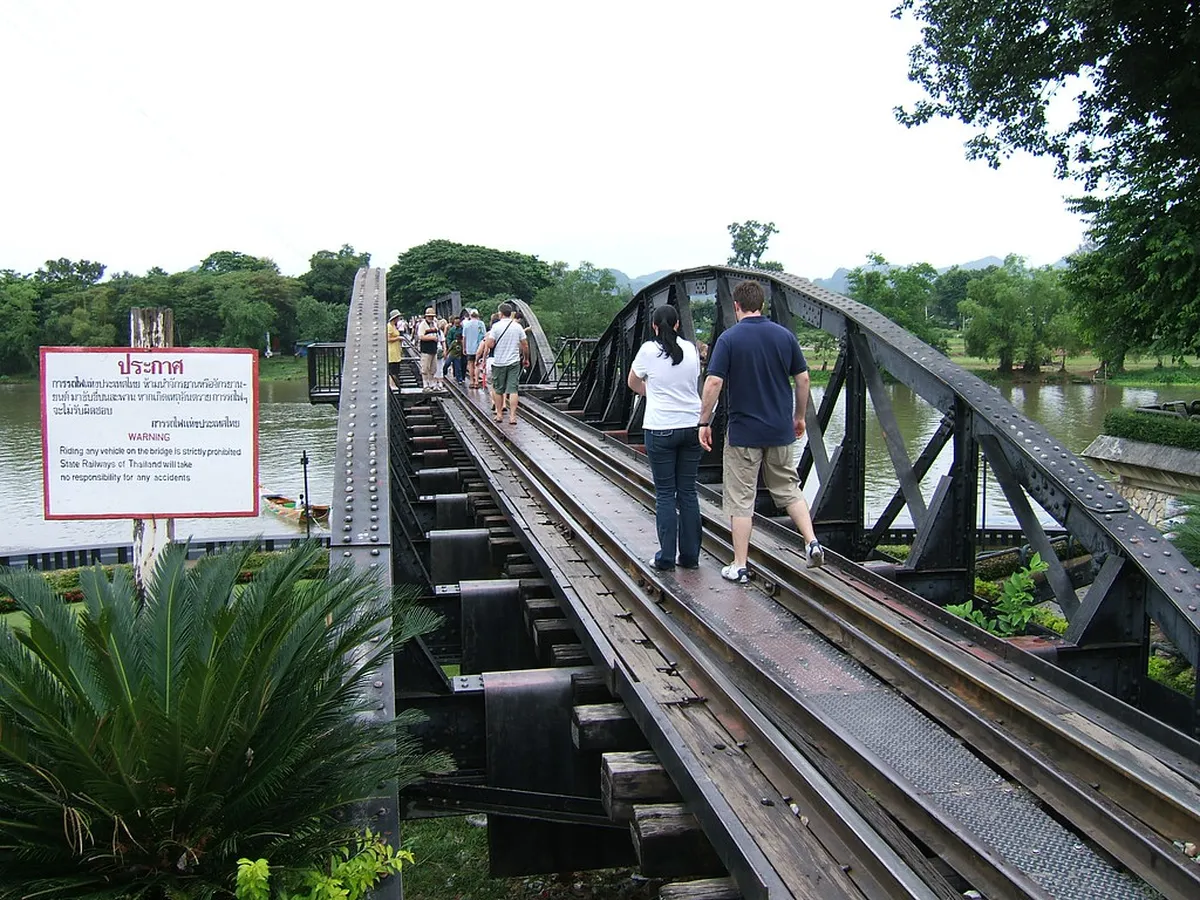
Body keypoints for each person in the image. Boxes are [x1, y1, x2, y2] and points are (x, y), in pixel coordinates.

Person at [698, 280, 824, 582]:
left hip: (744, 433)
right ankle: (811, 542)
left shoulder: (729, 339)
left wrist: (704, 421)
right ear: (762, 305)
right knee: (788, 488)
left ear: (736, 306)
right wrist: (798, 417)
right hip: (780, 429)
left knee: (741, 498)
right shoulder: (785, 336)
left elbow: (714, 382)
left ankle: (740, 564)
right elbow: (803, 379)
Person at [627, 305, 702, 571]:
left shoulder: (648, 350)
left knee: (666, 495)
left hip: (660, 429)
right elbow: (693, 382)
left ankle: (666, 558)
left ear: (654, 326)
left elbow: (632, 383)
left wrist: (654, 392)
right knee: (688, 493)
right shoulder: (692, 350)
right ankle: (691, 557)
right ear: (678, 325)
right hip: (692, 426)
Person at [480, 302, 528, 424]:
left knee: (498, 389)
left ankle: (500, 414)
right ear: (511, 313)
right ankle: (512, 417)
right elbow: (525, 344)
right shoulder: (517, 327)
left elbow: (490, 344)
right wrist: (526, 358)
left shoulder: (496, 327)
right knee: (513, 390)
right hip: (514, 362)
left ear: (500, 313)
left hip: (499, 362)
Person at [462, 309, 487, 387]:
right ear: (478, 315)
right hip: (479, 347)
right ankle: (476, 381)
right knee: (477, 364)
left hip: (469, 348)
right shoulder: (481, 324)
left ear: (470, 315)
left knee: (470, 364)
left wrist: (464, 348)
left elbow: (464, 337)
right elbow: (485, 336)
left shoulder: (466, 324)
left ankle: (471, 381)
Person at [416, 307, 440, 389]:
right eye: (429, 316)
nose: (431, 318)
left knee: (433, 367)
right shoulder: (422, 325)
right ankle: (425, 384)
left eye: (432, 316)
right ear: (426, 316)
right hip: (426, 349)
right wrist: (432, 338)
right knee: (425, 367)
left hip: (433, 349)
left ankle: (431, 383)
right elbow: (421, 336)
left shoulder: (434, 324)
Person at [386, 309, 403, 389]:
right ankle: (392, 384)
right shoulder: (389, 326)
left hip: (396, 351)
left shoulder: (394, 326)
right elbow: (388, 339)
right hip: (392, 351)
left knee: (395, 369)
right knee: (392, 369)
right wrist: (398, 338)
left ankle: (394, 384)